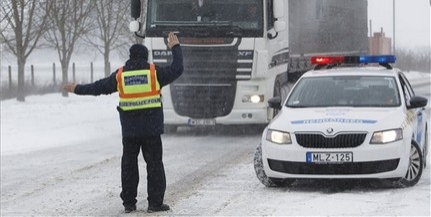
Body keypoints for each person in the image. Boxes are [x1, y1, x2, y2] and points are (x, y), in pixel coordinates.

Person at [63, 32, 183, 213]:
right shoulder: (154, 73)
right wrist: (175, 48)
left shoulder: (120, 76)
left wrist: (77, 89)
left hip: (130, 131)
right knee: (154, 165)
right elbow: (177, 69)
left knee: (129, 165)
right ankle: (155, 203)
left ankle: (129, 203)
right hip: (151, 130)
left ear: (131, 57)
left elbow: (98, 88)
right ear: (145, 57)